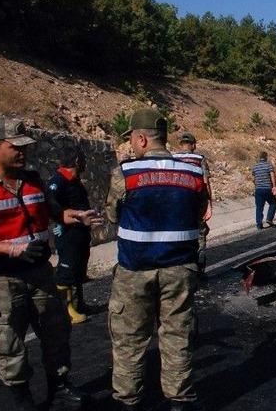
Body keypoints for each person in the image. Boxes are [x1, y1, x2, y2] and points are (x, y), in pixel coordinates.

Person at [0, 118, 99, 410]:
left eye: (25, 147)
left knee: (56, 332)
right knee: (10, 344)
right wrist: (11, 250)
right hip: (3, 279)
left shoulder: (33, 180)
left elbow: (55, 213)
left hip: (40, 273)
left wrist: (75, 216)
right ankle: (22, 400)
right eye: (15, 147)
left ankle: (60, 389)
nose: (23, 153)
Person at [105, 109, 208, 411]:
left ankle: (129, 401)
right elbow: (198, 213)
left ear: (140, 138)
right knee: (178, 338)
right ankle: (179, 401)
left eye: (131, 141)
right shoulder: (193, 173)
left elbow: (112, 215)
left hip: (135, 271)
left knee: (130, 341)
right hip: (179, 269)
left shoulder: (125, 173)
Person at [48, 146, 96, 324]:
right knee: (66, 272)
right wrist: (74, 215)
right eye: (83, 159)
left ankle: (78, 303)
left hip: (80, 233)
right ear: (77, 161)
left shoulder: (75, 181)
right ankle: (66, 310)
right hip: (68, 234)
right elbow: (51, 205)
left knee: (78, 269)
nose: (85, 163)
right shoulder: (58, 180)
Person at [173, 132, 212, 276]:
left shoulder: (173, 158)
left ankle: (180, 267)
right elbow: (206, 183)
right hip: (196, 203)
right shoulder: (199, 159)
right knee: (200, 235)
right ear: (194, 145)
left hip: (177, 204)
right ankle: (199, 268)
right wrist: (209, 204)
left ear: (180, 144)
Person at [252, 151, 276, 229]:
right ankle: (269, 219)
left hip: (258, 189)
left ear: (259, 157)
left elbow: (254, 179)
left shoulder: (255, 167)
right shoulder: (269, 166)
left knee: (259, 207)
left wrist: (256, 186)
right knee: (273, 203)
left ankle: (259, 224)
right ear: (266, 157)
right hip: (267, 188)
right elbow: (272, 176)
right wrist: (274, 186)